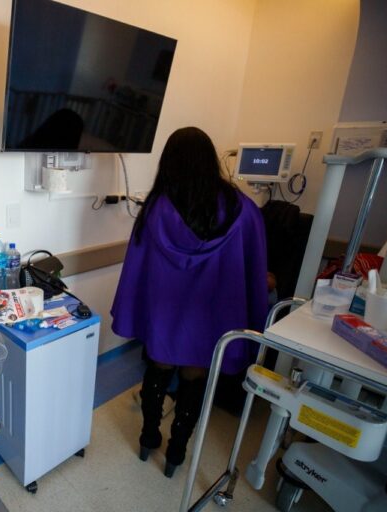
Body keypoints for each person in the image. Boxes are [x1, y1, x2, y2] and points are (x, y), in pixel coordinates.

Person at [111, 126, 268, 478]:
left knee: (158, 370)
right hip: (210, 322)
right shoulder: (241, 209)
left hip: (165, 317)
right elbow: (253, 269)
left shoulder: (156, 210)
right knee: (195, 380)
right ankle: (177, 451)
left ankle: (148, 436)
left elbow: (139, 269)